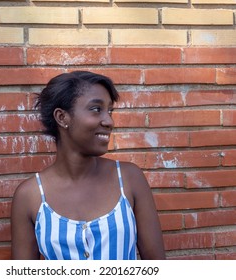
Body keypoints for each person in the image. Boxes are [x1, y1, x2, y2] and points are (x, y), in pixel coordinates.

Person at [11, 71, 166, 260]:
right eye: (95, 109)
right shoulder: (30, 196)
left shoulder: (129, 179)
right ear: (62, 117)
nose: (109, 121)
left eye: (110, 111)